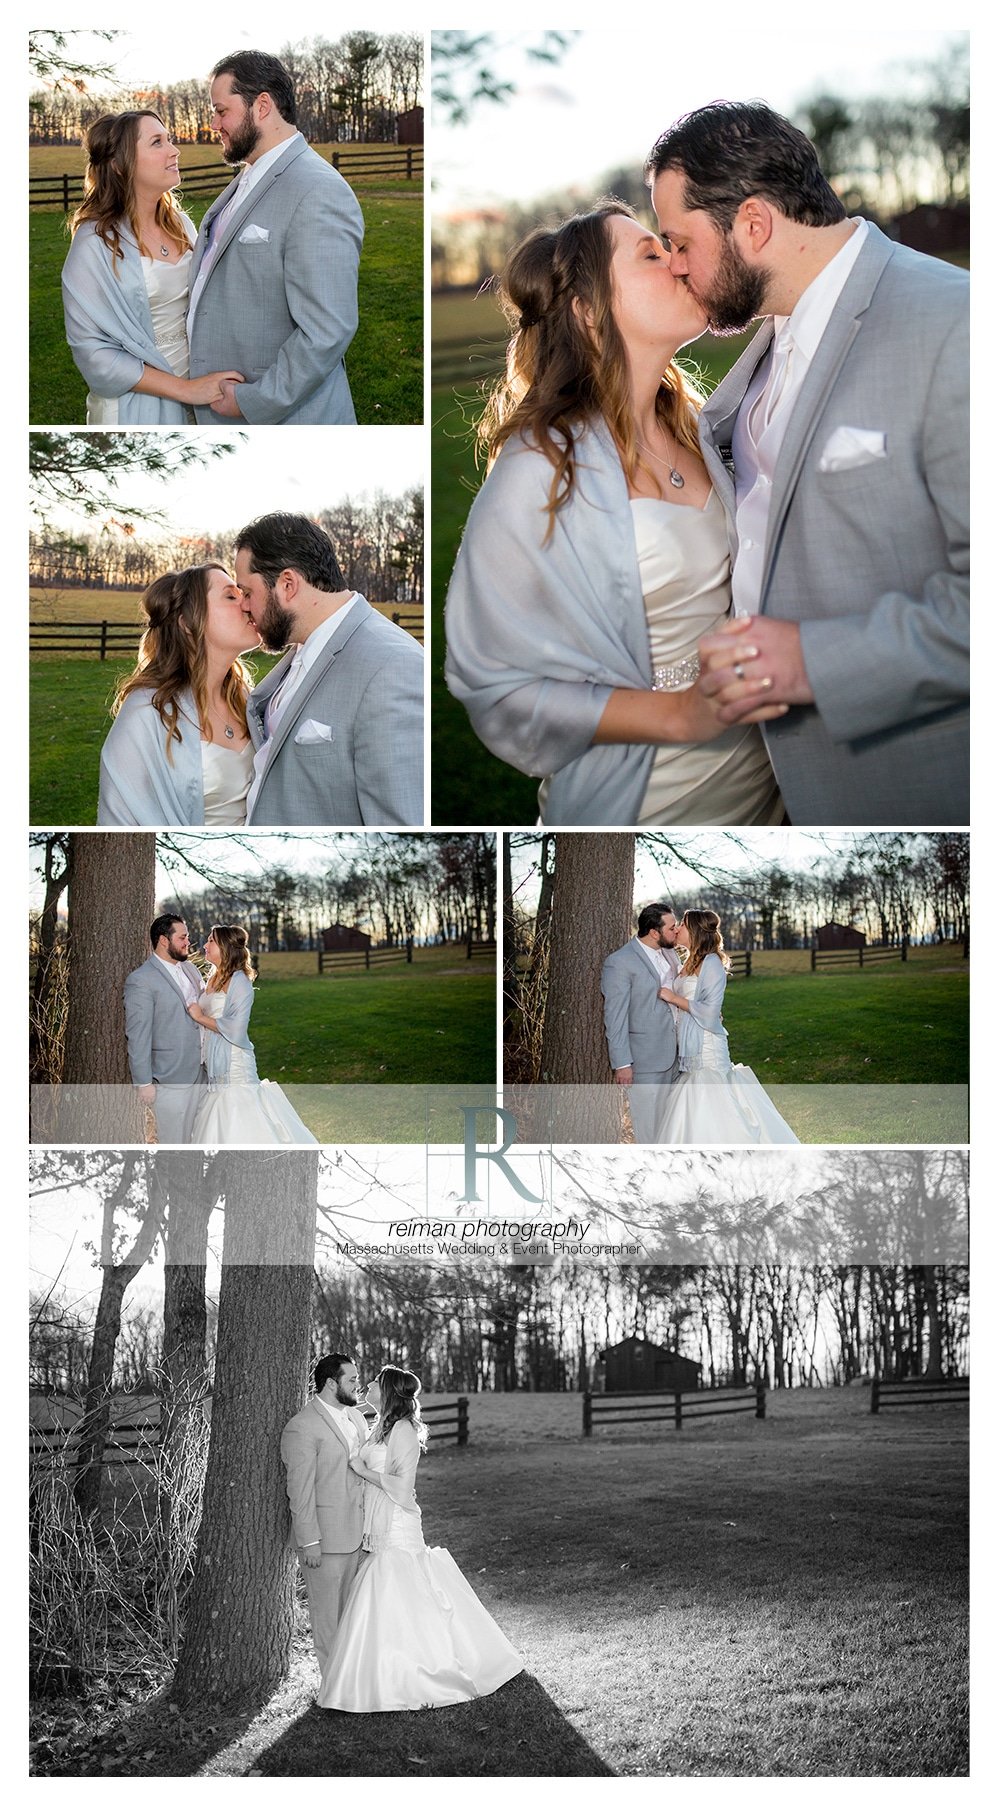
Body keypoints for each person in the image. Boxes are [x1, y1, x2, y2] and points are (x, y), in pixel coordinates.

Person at [646, 101, 969, 826]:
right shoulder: (767, 333)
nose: (673, 264)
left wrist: (811, 661)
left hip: (907, 787)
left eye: (679, 241)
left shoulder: (960, 324)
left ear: (754, 225)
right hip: (762, 788)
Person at [444, 200, 789, 826]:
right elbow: (496, 683)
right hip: (643, 801)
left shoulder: (695, 425)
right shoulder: (543, 467)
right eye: (651, 255)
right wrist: (681, 714)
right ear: (588, 311)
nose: (677, 261)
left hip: (764, 788)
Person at [318, 1366, 523, 1712]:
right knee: (384, 1592)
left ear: (387, 1390)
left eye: (373, 1382)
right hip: (380, 1518)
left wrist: (362, 1470)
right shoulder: (378, 1425)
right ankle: (382, 1674)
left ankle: (425, 1672)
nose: (366, 1384)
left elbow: (401, 1484)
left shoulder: (403, 1430)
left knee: (402, 1587)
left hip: (398, 1521)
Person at [187, 50, 364, 425]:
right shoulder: (249, 177)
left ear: (262, 106)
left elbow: (327, 329)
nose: (215, 123)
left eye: (222, 111)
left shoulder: (318, 189)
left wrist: (253, 400)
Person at [235, 512, 424, 826]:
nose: (243, 604)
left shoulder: (392, 666)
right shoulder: (302, 646)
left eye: (248, 592)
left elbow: (402, 820)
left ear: (287, 584)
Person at [61, 110, 244, 424]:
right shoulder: (96, 243)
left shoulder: (182, 224)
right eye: (157, 142)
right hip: (135, 407)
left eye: (169, 139)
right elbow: (93, 354)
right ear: (120, 165)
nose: (175, 150)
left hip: (201, 394)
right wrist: (185, 390)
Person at [97, 564, 261, 826]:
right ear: (187, 622)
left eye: (243, 594)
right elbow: (119, 818)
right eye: (231, 596)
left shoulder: (246, 698)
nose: (247, 604)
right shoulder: (148, 711)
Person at [655, 909, 798, 1144]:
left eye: (682, 924)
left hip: (707, 1046)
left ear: (694, 931)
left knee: (714, 1100)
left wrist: (673, 998)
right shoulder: (689, 960)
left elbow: (710, 1012)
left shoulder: (711, 962)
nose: (678, 927)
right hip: (691, 1042)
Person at [185, 926, 318, 1144]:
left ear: (225, 947)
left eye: (211, 941)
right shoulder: (211, 979)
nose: (205, 945)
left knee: (241, 1117)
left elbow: (236, 1029)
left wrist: (199, 1016)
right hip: (213, 1065)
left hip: (234, 1063)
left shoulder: (240, 981)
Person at [280, 1355, 369, 1674]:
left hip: (361, 1535)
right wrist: (309, 1542)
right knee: (328, 1618)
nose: (359, 1385)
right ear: (331, 1384)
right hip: (326, 1541)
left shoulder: (357, 1419)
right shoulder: (302, 1427)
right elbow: (300, 1492)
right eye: (352, 1380)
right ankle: (332, 1688)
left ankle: (353, 1679)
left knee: (354, 1612)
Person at [601, 903, 681, 1144]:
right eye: (672, 927)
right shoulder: (620, 962)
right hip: (645, 1060)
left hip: (679, 1055)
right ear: (654, 932)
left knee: (673, 1127)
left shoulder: (671, 953)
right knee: (649, 1129)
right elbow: (615, 1016)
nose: (676, 931)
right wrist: (622, 1063)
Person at [124, 915, 206, 1143]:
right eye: (182, 937)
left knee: (201, 1140)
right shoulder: (141, 980)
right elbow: (138, 1034)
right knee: (174, 1144)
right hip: (170, 1078)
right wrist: (143, 1082)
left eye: (187, 937)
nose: (187, 942)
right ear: (163, 940)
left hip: (203, 1073)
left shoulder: (191, 969)